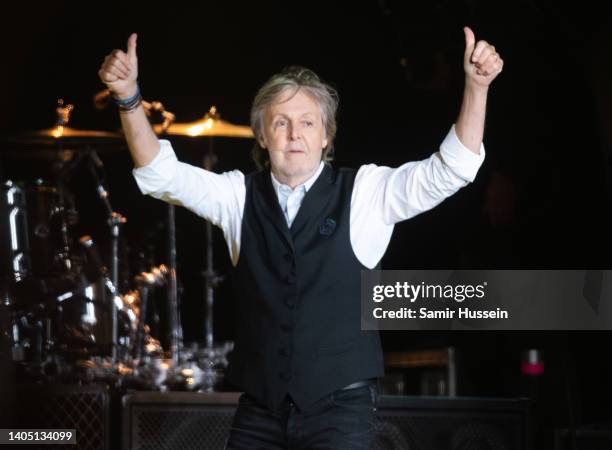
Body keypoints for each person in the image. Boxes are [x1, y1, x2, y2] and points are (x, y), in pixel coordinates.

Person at [98, 27, 503, 449]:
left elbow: (451, 170)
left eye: (308, 123)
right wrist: (128, 98)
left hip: (340, 415)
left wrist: (476, 87)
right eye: (281, 123)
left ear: (326, 136)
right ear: (261, 135)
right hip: (259, 411)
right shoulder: (237, 197)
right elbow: (161, 174)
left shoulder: (366, 192)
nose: (294, 134)